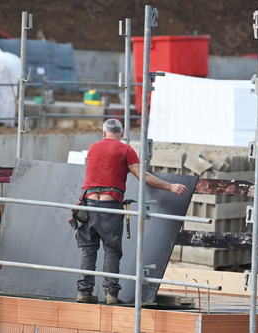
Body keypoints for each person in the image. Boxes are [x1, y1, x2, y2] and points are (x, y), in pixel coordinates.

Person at [75, 118, 188, 305]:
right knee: (111, 250)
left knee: (88, 250)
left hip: (87, 205)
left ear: (104, 133)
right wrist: (170, 186)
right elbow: (144, 177)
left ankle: (84, 292)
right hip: (109, 207)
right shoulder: (125, 150)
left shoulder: (93, 148)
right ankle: (111, 294)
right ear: (122, 133)